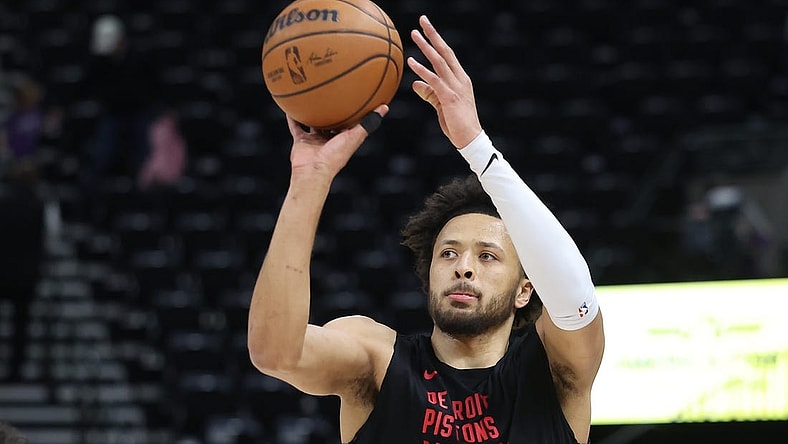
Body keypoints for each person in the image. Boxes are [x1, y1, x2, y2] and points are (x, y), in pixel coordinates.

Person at [247, 15, 604, 444]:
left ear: (526, 288)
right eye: (448, 253)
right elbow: (274, 353)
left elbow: (575, 299)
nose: (463, 268)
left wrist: (477, 146)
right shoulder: (376, 361)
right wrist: (310, 181)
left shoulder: (552, 369)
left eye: (487, 255)